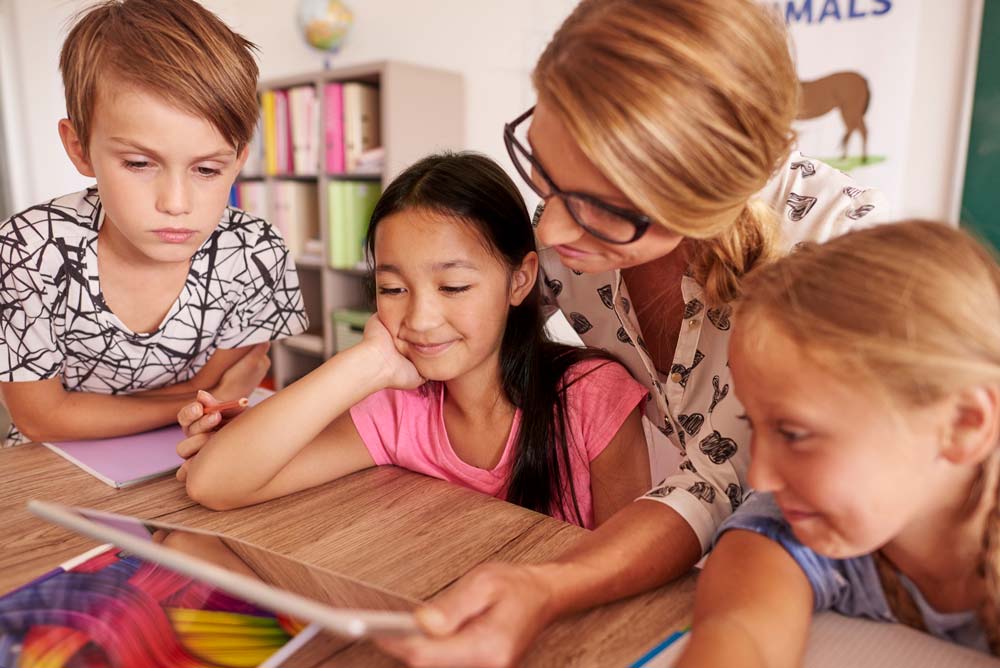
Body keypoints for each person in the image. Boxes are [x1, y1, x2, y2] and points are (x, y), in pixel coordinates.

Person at [376, 0, 891, 665]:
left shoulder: (841, 251)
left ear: (704, 190)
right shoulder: (567, 248)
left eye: (599, 207)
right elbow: (451, 330)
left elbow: (733, 484)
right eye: (544, 177)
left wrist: (548, 585)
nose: (551, 230)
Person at [175, 152, 651, 529]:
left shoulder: (591, 395)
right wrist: (366, 363)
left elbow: (630, 569)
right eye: (392, 289)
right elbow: (213, 483)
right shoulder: (401, 407)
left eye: (454, 287)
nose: (420, 319)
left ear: (520, 280)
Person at [676, 221, 1000, 665]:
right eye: (754, 424)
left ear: (964, 424)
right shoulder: (794, 525)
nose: (760, 476)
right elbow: (740, 634)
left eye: (794, 434)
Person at [0, 0, 306, 446]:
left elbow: (226, 383)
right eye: (140, 163)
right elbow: (41, 419)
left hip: (200, 448)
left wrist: (84, 408)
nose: (176, 204)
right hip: (53, 464)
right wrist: (199, 398)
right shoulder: (28, 248)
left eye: (207, 169)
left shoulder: (255, 251)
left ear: (238, 160)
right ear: (80, 148)